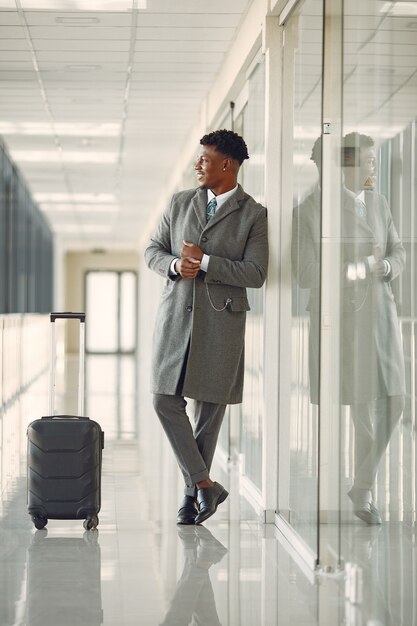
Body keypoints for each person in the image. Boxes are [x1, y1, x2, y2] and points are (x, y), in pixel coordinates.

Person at [145, 129, 269, 525]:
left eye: (205, 158)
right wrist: (176, 266)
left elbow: (256, 272)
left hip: (222, 322)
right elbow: (153, 250)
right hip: (175, 316)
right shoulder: (180, 203)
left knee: (208, 412)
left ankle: (190, 497)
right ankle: (203, 485)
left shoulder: (254, 213)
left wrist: (209, 261)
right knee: (164, 400)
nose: (198, 164)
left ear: (227, 165)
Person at [292, 132, 405, 525]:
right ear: (348, 164)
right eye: (369, 161)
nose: (374, 167)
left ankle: (361, 483)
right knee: (362, 412)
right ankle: (364, 493)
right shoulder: (311, 209)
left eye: (375, 161)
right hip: (346, 323)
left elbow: (397, 250)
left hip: (383, 317)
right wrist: (358, 271)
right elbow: (306, 273)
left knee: (396, 400)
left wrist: (388, 267)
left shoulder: (379, 202)